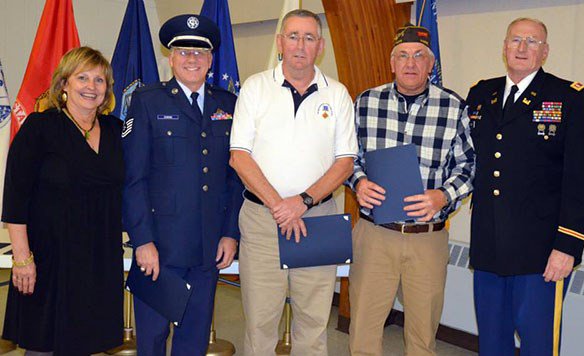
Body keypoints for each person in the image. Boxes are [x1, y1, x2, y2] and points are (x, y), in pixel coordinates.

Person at [229, 9, 358, 356]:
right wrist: (278, 205)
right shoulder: (255, 89)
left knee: (313, 324)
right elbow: (239, 157)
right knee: (260, 324)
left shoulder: (338, 95)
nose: (301, 44)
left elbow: (345, 162)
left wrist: (301, 202)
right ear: (280, 42)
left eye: (309, 37)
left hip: (318, 218)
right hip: (261, 222)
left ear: (321, 46)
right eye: (293, 36)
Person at [466, 17, 584, 355]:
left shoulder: (568, 96)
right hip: (489, 245)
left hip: (541, 253)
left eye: (532, 41)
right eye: (515, 40)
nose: (522, 48)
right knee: (492, 342)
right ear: (504, 47)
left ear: (545, 51)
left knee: (538, 343)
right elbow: (468, 162)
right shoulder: (481, 94)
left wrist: (567, 246)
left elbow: (582, 178)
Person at [348, 24, 475, 356]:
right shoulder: (365, 102)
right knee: (363, 331)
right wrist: (358, 182)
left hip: (427, 238)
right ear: (392, 62)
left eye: (420, 56)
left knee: (422, 337)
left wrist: (444, 195)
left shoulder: (453, 107)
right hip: (375, 234)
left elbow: (470, 166)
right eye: (402, 56)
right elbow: (348, 158)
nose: (411, 63)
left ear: (431, 65)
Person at [122, 14, 243, 355]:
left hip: (207, 246)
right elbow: (133, 179)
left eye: (200, 52)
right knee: (153, 337)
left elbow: (235, 178)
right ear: (171, 58)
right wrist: (142, 240)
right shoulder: (148, 101)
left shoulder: (229, 104)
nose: (192, 59)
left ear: (210, 59)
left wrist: (230, 232)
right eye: (183, 51)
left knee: (193, 337)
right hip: (160, 247)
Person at [1, 46, 124, 355]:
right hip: (48, 259)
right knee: (43, 345)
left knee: (85, 342)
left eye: (99, 80)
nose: (91, 87)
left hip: (98, 258)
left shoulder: (115, 129)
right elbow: (16, 195)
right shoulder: (40, 127)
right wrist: (22, 257)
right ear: (64, 84)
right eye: (82, 77)